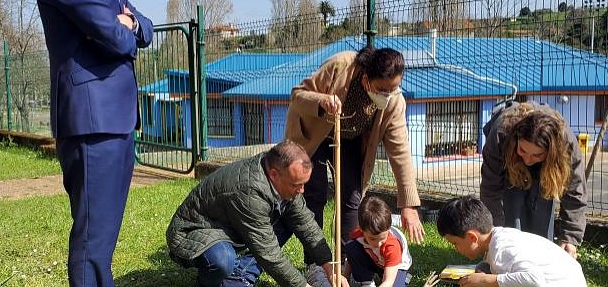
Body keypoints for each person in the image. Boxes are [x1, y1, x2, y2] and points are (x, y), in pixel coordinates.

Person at [36, 0, 156, 285]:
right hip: (92, 122)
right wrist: (121, 27)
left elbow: (145, 29)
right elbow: (114, 37)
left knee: (102, 238)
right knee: (92, 240)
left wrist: (128, 22)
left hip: (115, 120)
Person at [284, 45, 424, 284]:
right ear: (366, 79)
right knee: (314, 196)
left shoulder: (394, 102)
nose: (389, 94)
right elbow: (297, 94)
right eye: (382, 89)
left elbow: (400, 151)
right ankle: (317, 265)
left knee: (352, 200)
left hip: (350, 140)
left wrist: (409, 205)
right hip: (315, 134)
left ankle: (349, 263)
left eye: (395, 87)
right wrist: (323, 101)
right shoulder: (340, 67)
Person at [166, 140, 349, 287]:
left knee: (290, 221)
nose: (302, 191)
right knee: (222, 261)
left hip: (230, 227)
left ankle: (239, 278)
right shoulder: (249, 192)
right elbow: (269, 254)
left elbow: (306, 224)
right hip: (196, 231)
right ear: (274, 174)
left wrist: (330, 267)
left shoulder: (282, 177)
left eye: (304, 184)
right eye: (296, 184)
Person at [479, 100, 587, 259]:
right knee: (512, 212)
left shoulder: (566, 144)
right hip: (509, 160)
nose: (528, 160)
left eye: (536, 154)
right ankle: (510, 257)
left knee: (541, 212)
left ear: (551, 152)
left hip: (546, 168)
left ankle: (539, 259)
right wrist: (496, 235)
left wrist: (569, 237)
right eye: (523, 150)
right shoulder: (500, 134)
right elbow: (490, 190)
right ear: (517, 139)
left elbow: (575, 191)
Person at [437, 195, 587, 287]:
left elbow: (534, 280)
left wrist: (485, 280)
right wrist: (485, 269)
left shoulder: (501, 249)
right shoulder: (498, 238)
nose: (456, 249)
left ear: (472, 237)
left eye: (455, 243)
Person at [343, 196, 413, 287]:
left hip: (397, 268)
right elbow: (350, 255)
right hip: (377, 262)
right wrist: (345, 276)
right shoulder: (358, 234)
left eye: (383, 238)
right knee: (351, 246)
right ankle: (366, 282)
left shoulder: (392, 247)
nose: (379, 243)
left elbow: (388, 281)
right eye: (372, 238)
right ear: (361, 229)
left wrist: (385, 283)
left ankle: (404, 278)